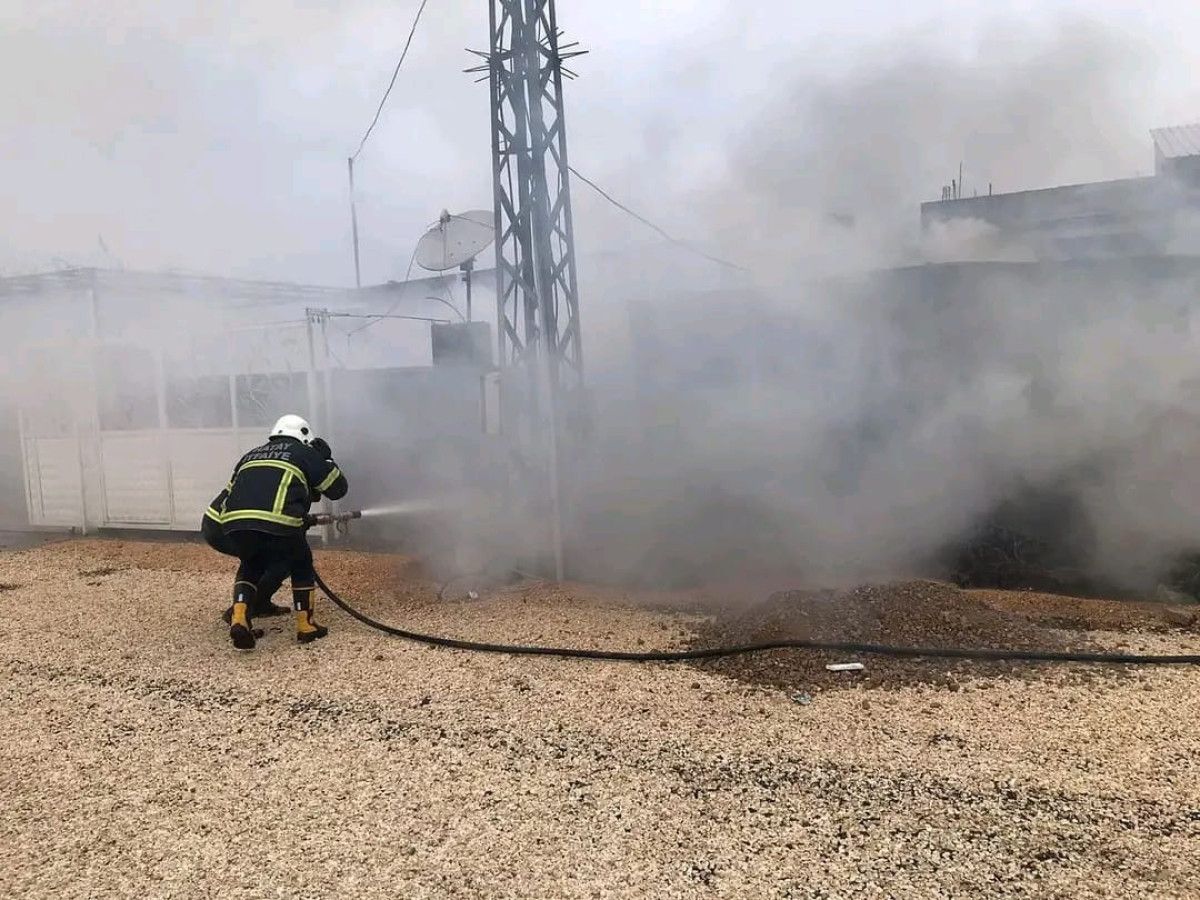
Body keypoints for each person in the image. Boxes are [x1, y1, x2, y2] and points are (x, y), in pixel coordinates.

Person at [214, 414, 349, 650]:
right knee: (301, 562)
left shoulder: (251, 454)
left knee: (251, 563)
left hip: (233, 522)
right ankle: (306, 626)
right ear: (305, 436)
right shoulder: (304, 453)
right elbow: (337, 489)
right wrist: (326, 459)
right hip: (277, 521)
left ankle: (240, 618)